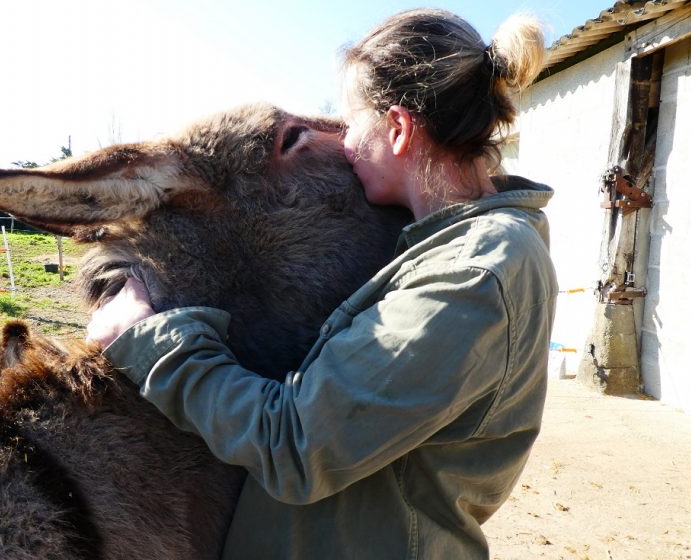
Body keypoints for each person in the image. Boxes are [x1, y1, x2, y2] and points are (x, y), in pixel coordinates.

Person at [87, 8, 557, 559]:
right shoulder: (444, 251)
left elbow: (300, 446)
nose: (345, 140)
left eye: (351, 120)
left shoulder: (476, 270)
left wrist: (152, 341)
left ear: (400, 129)